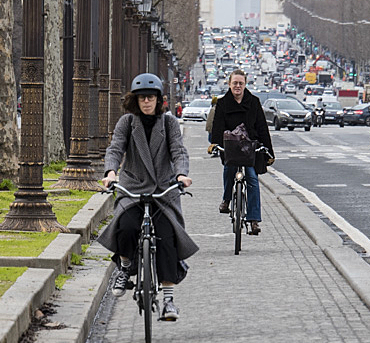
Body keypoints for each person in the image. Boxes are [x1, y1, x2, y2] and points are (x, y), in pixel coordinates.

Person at [99, 73, 197, 322]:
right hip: (132, 185)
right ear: (135, 100)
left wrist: (182, 175)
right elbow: (115, 148)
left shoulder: (169, 123)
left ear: (158, 100)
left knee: (167, 238)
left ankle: (169, 300)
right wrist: (111, 172)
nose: (146, 103)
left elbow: (178, 151)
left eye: (151, 98)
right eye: (142, 98)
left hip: (164, 189)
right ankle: (124, 267)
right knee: (126, 225)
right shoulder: (126, 122)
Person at [209, 69, 274, 236]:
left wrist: (268, 151)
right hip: (230, 146)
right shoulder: (223, 103)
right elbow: (217, 126)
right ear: (229, 84)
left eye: (240, 83)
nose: (237, 86)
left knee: (252, 178)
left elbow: (262, 127)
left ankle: (253, 220)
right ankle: (226, 199)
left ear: (245, 85)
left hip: (250, 148)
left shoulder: (254, 102)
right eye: (235, 83)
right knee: (229, 169)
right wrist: (215, 144)